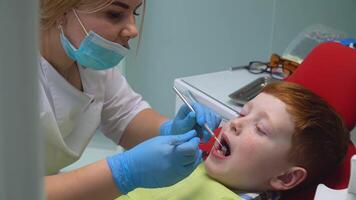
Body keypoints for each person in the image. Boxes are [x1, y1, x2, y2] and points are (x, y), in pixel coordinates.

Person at [39, 0, 221, 199]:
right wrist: (124, 173)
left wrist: (171, 129)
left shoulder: (88, 62)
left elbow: (126, 115)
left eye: (135, 13)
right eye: (115, 14)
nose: (133, 30)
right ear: (60, 11)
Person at [116, 82, 349, 200]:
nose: (236, 123)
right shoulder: (187, 164)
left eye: (260, 128)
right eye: (243, 113)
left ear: (285, 177)